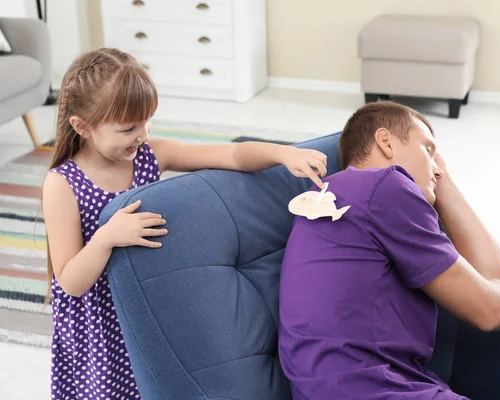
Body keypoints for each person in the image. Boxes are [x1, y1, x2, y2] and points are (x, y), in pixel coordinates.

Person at [42, 48, 328, 400]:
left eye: (148, 121)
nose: (143, 135)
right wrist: (105, 239)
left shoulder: (151, 155)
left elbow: (232, 155)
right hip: (96, 329)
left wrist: (284, 154)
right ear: (82, 127)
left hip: (142, 306)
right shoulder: (62, 184)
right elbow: (69, 281)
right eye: (129, 127)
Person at [278, 101, 500, 400]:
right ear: (385, 141)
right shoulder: (384, 186)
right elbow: (491, 310)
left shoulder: (329, 194)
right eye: (428, 149)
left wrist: (441, 180)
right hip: (370, 389)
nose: (438, 168)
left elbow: (496, 282)